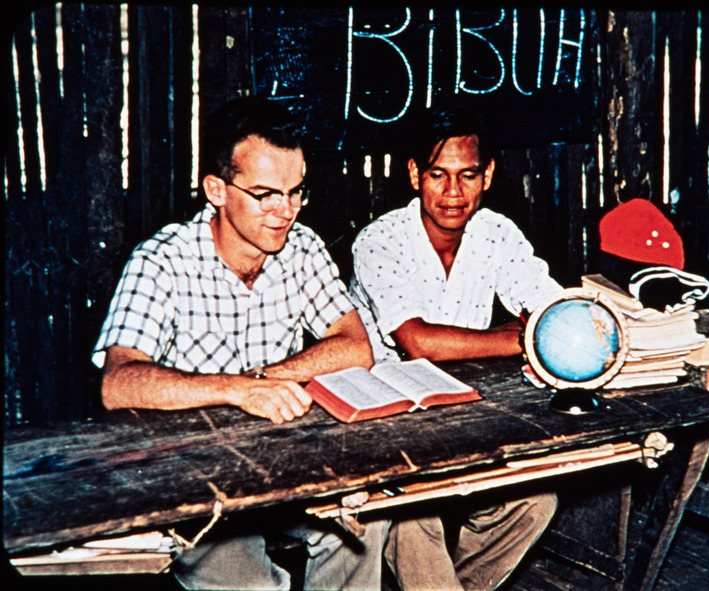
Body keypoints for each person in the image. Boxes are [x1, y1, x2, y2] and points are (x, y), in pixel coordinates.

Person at [92, 96, 387, 590]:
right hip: (195, 475)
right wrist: (237, 390)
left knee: (368, 519)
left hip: (286, 458)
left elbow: (356, 347)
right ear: (217, 190)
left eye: (295, 192)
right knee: (252, 586)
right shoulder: (162, 261)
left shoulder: (303, 247)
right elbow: (117, 383)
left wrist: (263, 381)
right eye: (265, 194)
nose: (285, 211)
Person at [350, 105, 563, 591]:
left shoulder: (497, 233)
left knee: (534, 501)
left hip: (467, 417)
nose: (453, 192)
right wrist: (520, 337)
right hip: (387, 424)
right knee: (411, 515)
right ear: (414, 175)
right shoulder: (379, 241)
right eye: (437, 174)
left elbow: (551, 309)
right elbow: (418, 342)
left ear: (487, 175)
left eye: (467, 174)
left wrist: (549, 324)